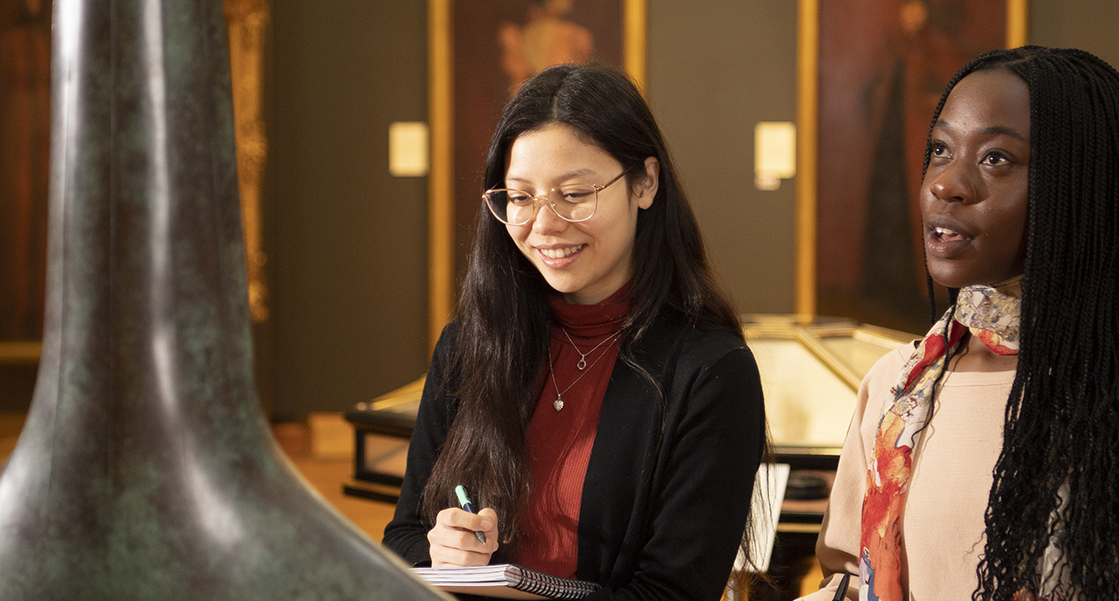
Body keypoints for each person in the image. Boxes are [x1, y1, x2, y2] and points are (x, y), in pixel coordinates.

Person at [382, 63, 766, 600]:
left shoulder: (710, 374)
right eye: (520, 197)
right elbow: (403, 535)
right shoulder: (472, 345)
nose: (544, 225)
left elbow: (672, 593)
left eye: (574, 193)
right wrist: (440, 552)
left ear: (645, 183)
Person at [800, 46, 1119, 601]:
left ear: (1083, 184)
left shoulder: (1101, 388)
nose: (946, 184)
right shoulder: (897, 384)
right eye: (941, 149)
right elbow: (852, 581)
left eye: (995, 158)